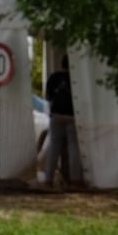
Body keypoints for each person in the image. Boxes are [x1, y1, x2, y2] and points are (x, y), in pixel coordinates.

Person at [38, 54, 81, 187]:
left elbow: (48, 97)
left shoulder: (54, 77)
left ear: (62, 64)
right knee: (73, 147)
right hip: (72, 116)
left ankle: (48, 178)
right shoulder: (76, 79)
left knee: (54, 147)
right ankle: (75, 179)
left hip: (56, 115)